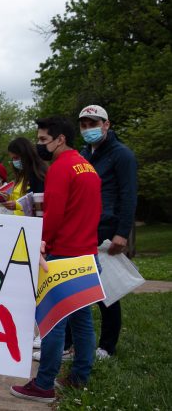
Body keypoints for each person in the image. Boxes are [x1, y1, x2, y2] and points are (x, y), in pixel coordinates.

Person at [10, 117, 102, 403]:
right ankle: (79, 376)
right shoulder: (86, 165)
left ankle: (44, 383)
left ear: (59, 139)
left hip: (63, 254)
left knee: (53, 321)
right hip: (87, 252)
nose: (40, 145)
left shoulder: (61, 168)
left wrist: (42, 243)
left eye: (42, 140)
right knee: (82, 320)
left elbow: (54, 214)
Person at [78, 104, 138, 359]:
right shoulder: (83, 154)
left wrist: (122, 233)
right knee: (79, 286)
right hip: (84, 227)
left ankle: (107, 346)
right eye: (84, 124)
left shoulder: (121, 155)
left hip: (107, 229)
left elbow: (129, 195)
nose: (89, 129)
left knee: (107, 290)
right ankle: (74, 343)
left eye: (94, 123)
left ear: (106, 124)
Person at [3, 137, 47, 216]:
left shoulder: (38, 175)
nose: (14, 162)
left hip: (30, 223)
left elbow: (40, 202)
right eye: (12, 159)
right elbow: (19, 198)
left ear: (26, 155)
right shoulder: (21, 175)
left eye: (16, 158)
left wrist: (17, 205)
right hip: (19, 221)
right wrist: (8, 198)